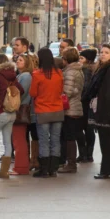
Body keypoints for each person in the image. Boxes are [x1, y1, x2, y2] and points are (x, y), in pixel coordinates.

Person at [84, 45, 110, 179]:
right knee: (107, 142)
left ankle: (107, 170)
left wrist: (107, 112)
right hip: (104, 109)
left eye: (106, 53)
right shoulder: (102, 68)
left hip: (108, 111)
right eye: (101, 52)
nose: (102, 55)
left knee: (108, 142)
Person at [29, 48, 64, 178]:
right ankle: (53, 169)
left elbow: (33, 93)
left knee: (44, 140)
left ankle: (44, 169)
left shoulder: (37, 74)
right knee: (55, 139)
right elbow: (61, 90)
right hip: (57, 109)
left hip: (43, 110)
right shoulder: (59, 73)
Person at [59, 47, 85, 174]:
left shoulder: (70, 72)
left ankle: (71, 163)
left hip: (70, 108)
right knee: (69, 136)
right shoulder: (77, 70)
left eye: (63, 58)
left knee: (69, 137)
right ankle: (69, 162)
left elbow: (67, 92)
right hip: (75, 106)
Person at [9, 53, 34, 175]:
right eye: (17, 60)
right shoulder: (21, 75)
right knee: (18, 139)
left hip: (20, 110)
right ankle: (20, 166)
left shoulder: (25, 76)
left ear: (27, 63)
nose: (18, 62)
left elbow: (20, 93)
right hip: (18, 109)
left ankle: (21, 167)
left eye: (21, 60)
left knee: (19, 140)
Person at [79, 48, 98, 163]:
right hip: (91, 103)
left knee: (80, 128)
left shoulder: (85, 70)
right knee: (89, 128)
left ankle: (83, 154)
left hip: (84, 102)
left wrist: (81, 98)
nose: (79, 60)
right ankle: (89, 154)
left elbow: (85, 87)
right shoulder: (95, 69)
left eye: (81, 58)